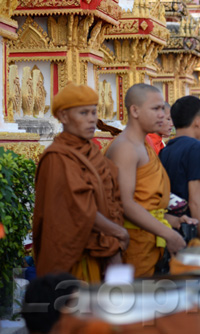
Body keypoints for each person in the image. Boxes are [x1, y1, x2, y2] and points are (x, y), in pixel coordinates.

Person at [33, 83, 128, 283]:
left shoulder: (93, 152)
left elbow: (112, 196)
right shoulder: (57, 157)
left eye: (94, 112)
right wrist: (117, 231)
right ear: (63, 116)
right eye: (83, 113)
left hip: (107, 249)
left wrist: (113, 242)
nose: (92, 119)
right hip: (76, 257)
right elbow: (79, 211)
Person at [106, 84, 191, 277]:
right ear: (134, 110)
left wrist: (171, 221)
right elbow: (125, 204)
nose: (162, 114)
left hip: (151, 239)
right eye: (155, 109)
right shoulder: (125, 147)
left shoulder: (144, 144)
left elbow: (146, 201)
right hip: (134, 243)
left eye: (162, 108)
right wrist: (167, 233)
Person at [159, 96, 200, 239]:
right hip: (187, 225)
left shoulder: (166, 149)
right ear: (198, 121)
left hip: (169, 224)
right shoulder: (197, 148)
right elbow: (195, 201)